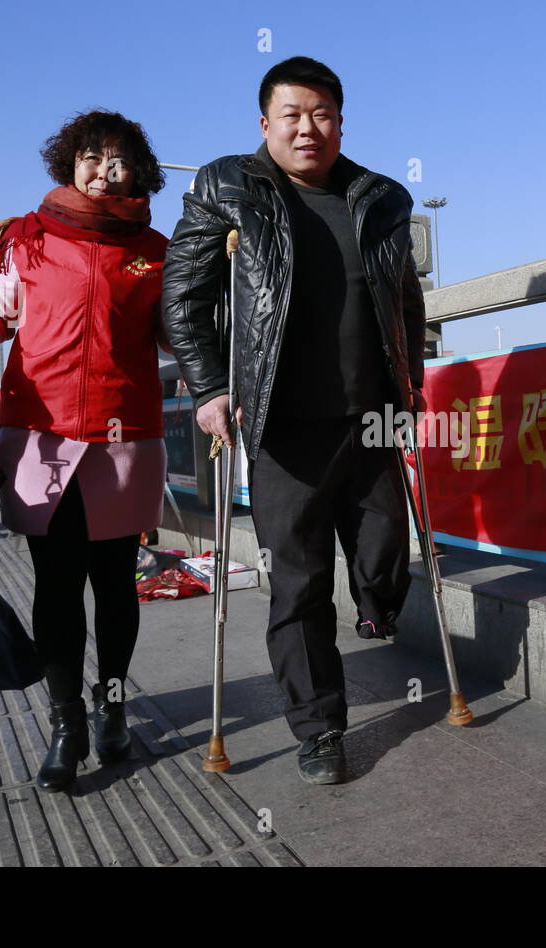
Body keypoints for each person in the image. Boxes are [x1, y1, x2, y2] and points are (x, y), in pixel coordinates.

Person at [163, 57, 427, 785]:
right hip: (280, 420)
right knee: (299, 581)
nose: (308, 128)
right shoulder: (227, 185)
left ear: (341, 120)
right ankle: (319, 728)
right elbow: (183, 293)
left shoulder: (383, 198)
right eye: (293, 115)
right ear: (266, 124)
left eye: (322, 114)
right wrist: (211, 386)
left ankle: (376, 611)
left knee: (384, 554)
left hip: (370, 411)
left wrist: (413, 383)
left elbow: (405, 299)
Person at [0, 110, 171, 792]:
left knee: (116, 585)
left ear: (139, 172)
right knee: (57, 586)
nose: (104, 170)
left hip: (127, 436)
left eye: (118, 159)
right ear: (69, 164)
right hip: (40, 437)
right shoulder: (28, 239)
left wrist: (218, 296)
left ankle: (115, 711)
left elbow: (169, 337)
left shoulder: (157, 250)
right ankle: (67, 724)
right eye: (91, 157)